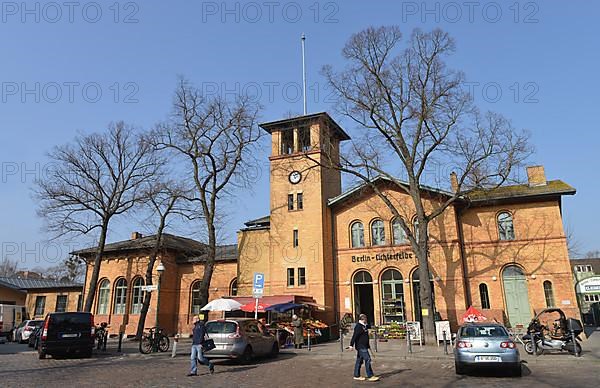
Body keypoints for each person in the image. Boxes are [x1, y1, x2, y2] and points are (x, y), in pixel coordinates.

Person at [349, 314, 379, 382]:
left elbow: (369, 327)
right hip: (361, 346)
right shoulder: (358, 327)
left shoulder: (364, 325)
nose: (366, 320)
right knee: (368, 359)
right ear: (363, 319)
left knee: (359, 360)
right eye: (366, 319)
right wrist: (351, 345)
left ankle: (356, 375)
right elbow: (354, 336)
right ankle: (370, 375)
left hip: (364, 346)